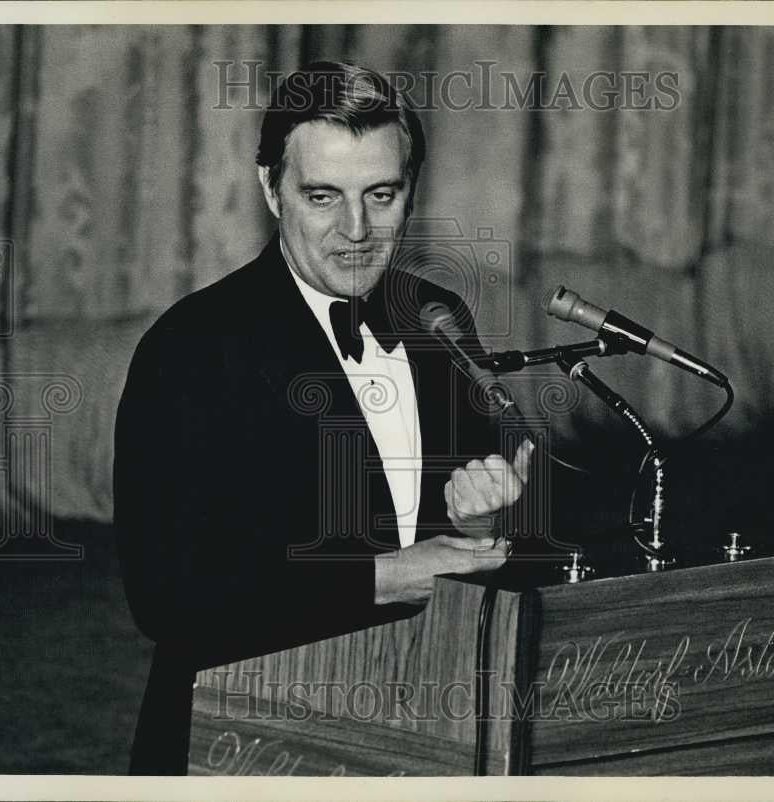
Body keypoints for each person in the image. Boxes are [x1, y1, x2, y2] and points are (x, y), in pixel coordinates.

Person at [113, 61, 535, 775]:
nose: (356, 230)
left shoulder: (437, 318)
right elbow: (170, 598)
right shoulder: (190, 349)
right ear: (270, 190)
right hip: (245, 737)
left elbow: (480, 548)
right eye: (321, 196)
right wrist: (385, 577)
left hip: (427, 726)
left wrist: (478, 525)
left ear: (411, 192)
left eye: (381, 194)